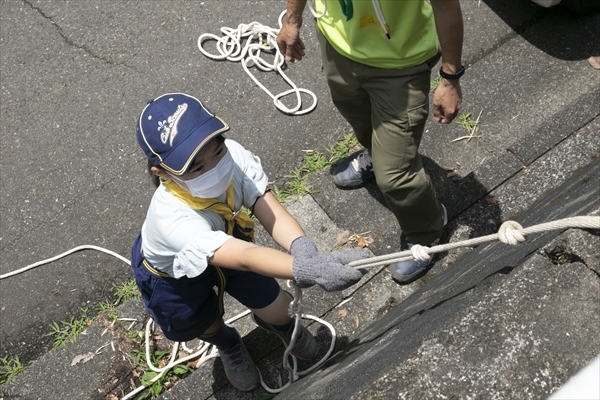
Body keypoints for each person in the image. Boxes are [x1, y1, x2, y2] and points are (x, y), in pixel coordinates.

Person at [130, 93, 366, 392]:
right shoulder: (171, 219)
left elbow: (269, 209)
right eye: (197, 168)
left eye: (217, 151)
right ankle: (228, 344)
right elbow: (244, 256)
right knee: (201, 322)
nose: (215, 167)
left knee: (280, 306)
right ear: (161, 171)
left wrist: (302, 248)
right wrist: (304, 270)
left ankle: (279, 325)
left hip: (228, 237)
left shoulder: (234, 158)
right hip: (175, 274)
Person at [276, 0, 464, 284]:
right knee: (361, 122)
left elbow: (446, 6)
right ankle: (377, 155)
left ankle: (428, 229)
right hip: (338, 45)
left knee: (396, 177)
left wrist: (450, 78)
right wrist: (292, 19)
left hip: (401, 62)